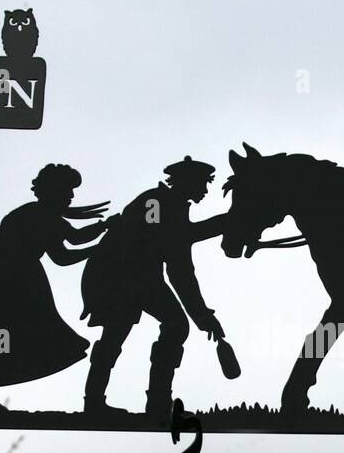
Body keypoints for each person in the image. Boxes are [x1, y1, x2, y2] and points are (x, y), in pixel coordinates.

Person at [0, 164, 108, 410]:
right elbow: (70, 247)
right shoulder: (36, 214)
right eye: (67, 191)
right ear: (53, 191)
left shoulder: (51, 219)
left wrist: (102, 232)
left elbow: (66, 250)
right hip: (9, 283)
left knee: (12, 337)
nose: (71, 197)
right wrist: (100, 241)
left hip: (23, 280)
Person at [79, 156, 232, 417]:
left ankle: (158, 402)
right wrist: (220, 224)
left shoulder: (177, 210)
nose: (205, 190)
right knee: (115, 335)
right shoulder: (154, 201)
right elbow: (168, 241)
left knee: (174, 326)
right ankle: (95, 401)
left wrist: (203, 317)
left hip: (145, 278)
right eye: (201, 184)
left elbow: (181, 269)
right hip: (119, 276)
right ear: (185, 181)